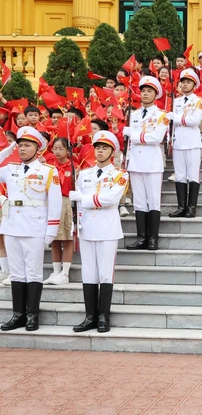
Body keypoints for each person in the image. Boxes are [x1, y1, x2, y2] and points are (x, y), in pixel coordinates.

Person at [0, 127, 61, 332]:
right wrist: (7, 151)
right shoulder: (10, 169)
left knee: (33, 272)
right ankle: (18, 314)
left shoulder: (47, 171)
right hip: (12, 225)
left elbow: (54, 203)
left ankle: (32, 315)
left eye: (27, 145)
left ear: (38, 148)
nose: (23, 149)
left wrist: (51, 230)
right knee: (16, 273)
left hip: (35, 226)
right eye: (20, 145)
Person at [70, 131, 128, 333]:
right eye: (97, 147)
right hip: (87, 228)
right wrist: (75, 224)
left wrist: (81, 198)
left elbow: (110, 200)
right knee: (89, 274)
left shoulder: (120, 175)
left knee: (105, 274)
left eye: (105, 148)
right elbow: (77, 206)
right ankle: (90, 316)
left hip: (107, 229)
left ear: (112, 151)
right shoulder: (84, 174)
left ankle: (103, 316)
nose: (100, 151)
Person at [123, 76, 169, 251]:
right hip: (135, 161)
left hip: (152, 162)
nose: (145, 94)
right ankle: (141, 238)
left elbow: (156, 137)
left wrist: (133, 136)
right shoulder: (133, 115)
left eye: (149, 91)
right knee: (139, 202)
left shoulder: (161, 115)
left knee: (153, 200)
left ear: (156, 94)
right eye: (143, 91)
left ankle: (152, 239)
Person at [168, 69, 202, 218]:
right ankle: (181, 206)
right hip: (178, 142)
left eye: (188, 82)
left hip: (193, 142)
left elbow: (195, 121)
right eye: (182, 82)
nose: (184, 84)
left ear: (194, 85)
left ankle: (192, 207)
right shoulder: (175, 102)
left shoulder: (200, 102)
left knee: (193, 176)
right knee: (180, 176)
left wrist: (176, 118)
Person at [43, 137, 74, 285]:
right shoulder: (49, 168)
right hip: (52, 203)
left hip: (67, 202)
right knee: (54, 239)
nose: (57, 151)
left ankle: (65, 272)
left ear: (68, 150)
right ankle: (55, 271)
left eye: (61, 148)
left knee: (67, 237)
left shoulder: (73, 167)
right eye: (54, 148)